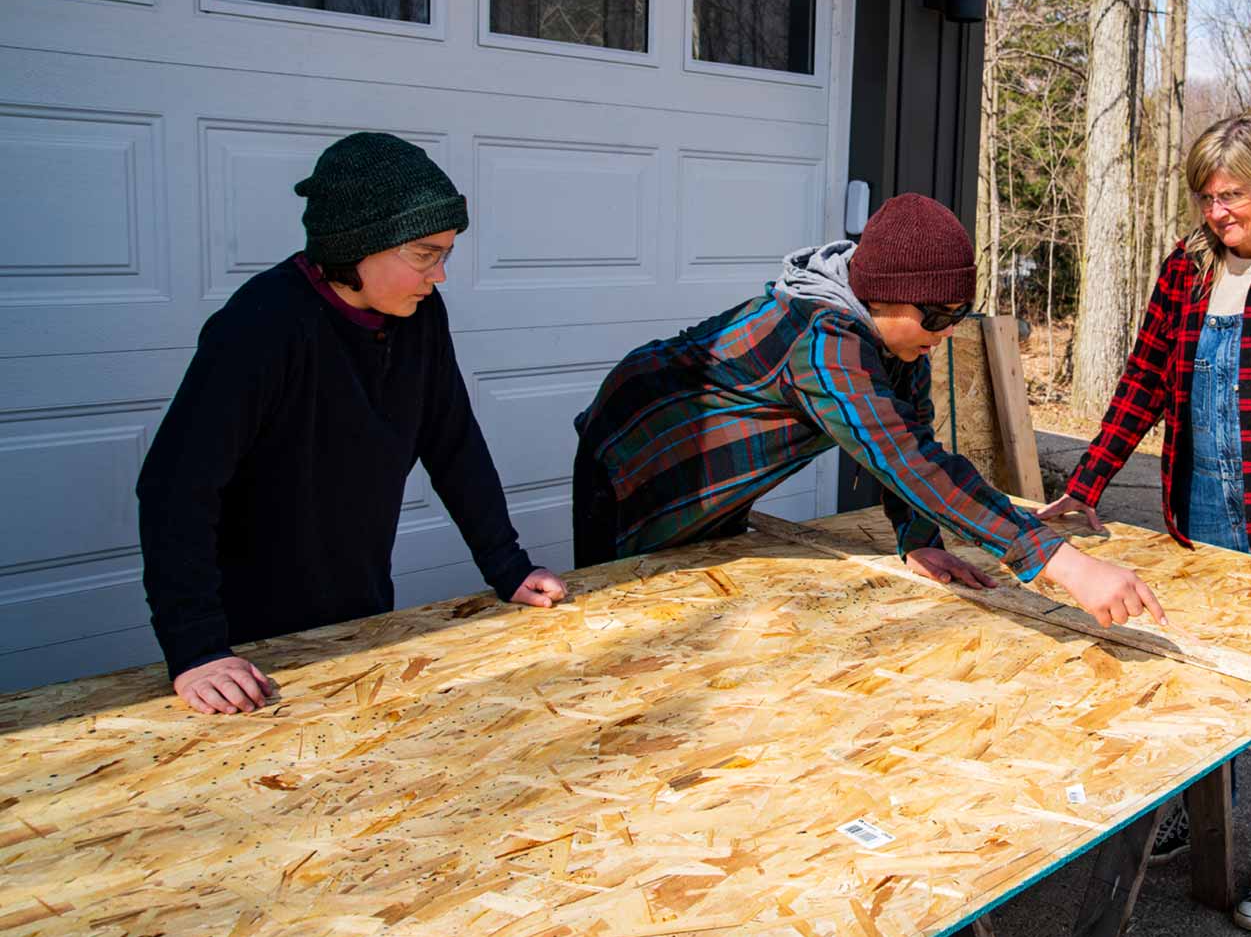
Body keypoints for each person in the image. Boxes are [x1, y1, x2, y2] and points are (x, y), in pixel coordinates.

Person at [1038, 117, 1251, 931]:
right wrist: (1085, 485)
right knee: (1196, 668)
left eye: (1231, 195)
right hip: (1198, 514)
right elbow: (1140, 385)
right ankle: (1202, 813)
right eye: (1206, 195)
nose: (1216, 210)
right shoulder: (1186, 271)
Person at [572, 193, 1166, 627]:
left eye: (958, 314)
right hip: (636, 458)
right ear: (879, 294)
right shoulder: (822, 341)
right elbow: (905, 459)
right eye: (934, 316)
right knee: (622, 622)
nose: (946, 331)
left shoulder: (895, 339)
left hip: (719, 474)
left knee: (695, 605)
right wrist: (1063, 562)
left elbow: (911, 433)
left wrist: (917, 537)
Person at [137, 132, 568, 715]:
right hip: (250, 646)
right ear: (358, 244)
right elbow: (176, 487)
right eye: (424, 254)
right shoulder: (261, 325)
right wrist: (197, 649)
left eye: (445, 253)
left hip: (361, 611)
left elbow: (452, 440)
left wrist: (507, 566)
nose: (439, 275)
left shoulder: (417, 317)